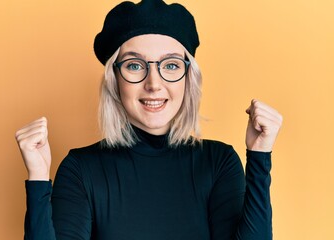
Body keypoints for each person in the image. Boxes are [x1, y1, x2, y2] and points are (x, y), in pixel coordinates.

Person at [15, 0, 283, 239]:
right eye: (134, 65)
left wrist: (260, 157)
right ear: (115, 81)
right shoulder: (80, 169)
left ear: (189, 79)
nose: (154, 84)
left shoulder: (218, 163)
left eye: (170, 65)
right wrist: (38, 177)